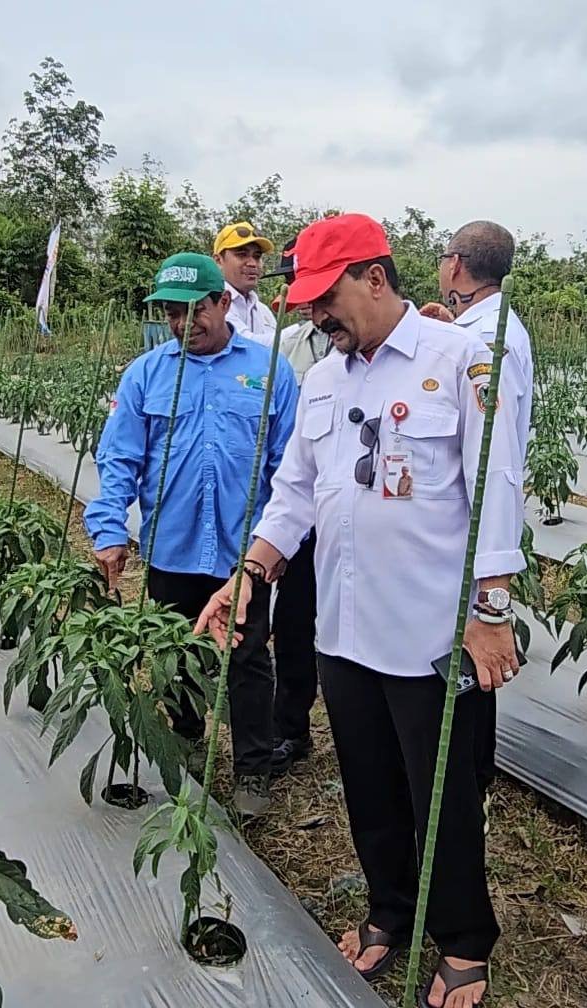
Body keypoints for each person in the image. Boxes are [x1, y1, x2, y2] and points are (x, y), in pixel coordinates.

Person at [195, 214, 528, 1008]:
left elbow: (499, 488)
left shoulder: (461, 359)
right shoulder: (322, 378)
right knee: (368, 784)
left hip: (428, 633)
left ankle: (462, 939)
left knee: (439, 789)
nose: (316, 316)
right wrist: (253, 571)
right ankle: (387, 911)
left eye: (326, 297)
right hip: (342, 629)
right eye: (306, 303)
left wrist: (489, 610)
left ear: (375, 277)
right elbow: (295, 492)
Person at [84, 252, 298, 818]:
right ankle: (186, 740)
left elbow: (290, 465)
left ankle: (252, 770)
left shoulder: (270, 369)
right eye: (172, 315)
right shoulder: (147, 374)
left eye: (194, 311)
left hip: (242, 550)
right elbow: (120, 459)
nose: (183, 325)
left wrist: (276, 544)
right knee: (176, 653)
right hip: (171, 544)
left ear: (224, 302)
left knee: (247, 657)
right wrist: (109, 529)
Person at [422, 220, 534, 826]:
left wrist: (494, 588)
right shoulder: (491, 327)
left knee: (464, 667)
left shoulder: (485, 341)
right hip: (472, 529)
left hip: (468, 531)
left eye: (443, 258)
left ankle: (469, 784)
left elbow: (493, 458)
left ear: (456, 264)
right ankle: (471, 776)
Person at [265, 238, 332, 775]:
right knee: (292, 621)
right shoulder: (284, 345)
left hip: (353, 511)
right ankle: (291, 726)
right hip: (301, 505)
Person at [213, 221, 276, 346]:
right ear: (218, 260)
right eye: (242, 255)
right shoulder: (214, 305)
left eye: (257, 256)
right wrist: (302, 331)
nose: (252, 263)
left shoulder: (263, 311)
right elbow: (247, 345)